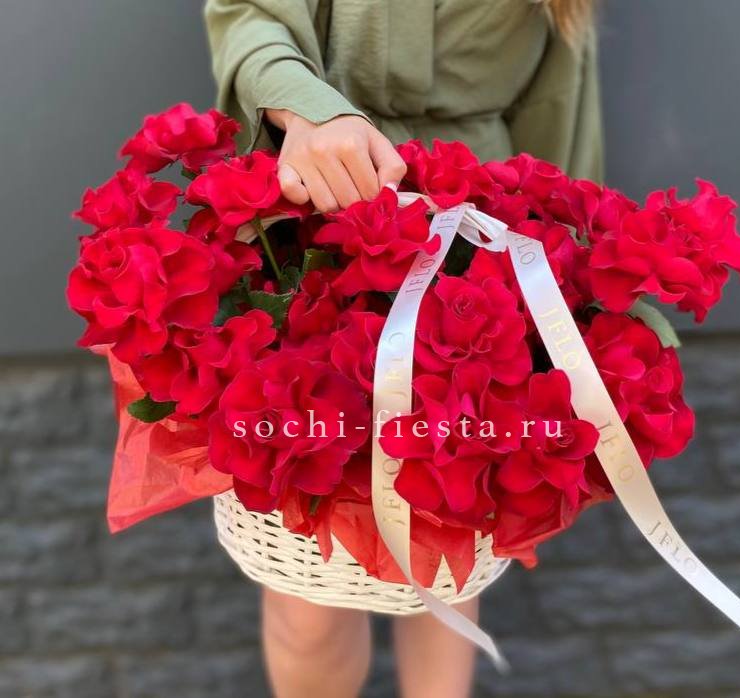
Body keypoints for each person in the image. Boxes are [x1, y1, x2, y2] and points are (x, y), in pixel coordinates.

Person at [204, 1, 601, 696]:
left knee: (446, 551)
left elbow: (559, 101)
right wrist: (307, 108)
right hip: (318, 217)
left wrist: (571, 287)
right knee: (309, 598)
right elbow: (250, 12)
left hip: (476, 242)